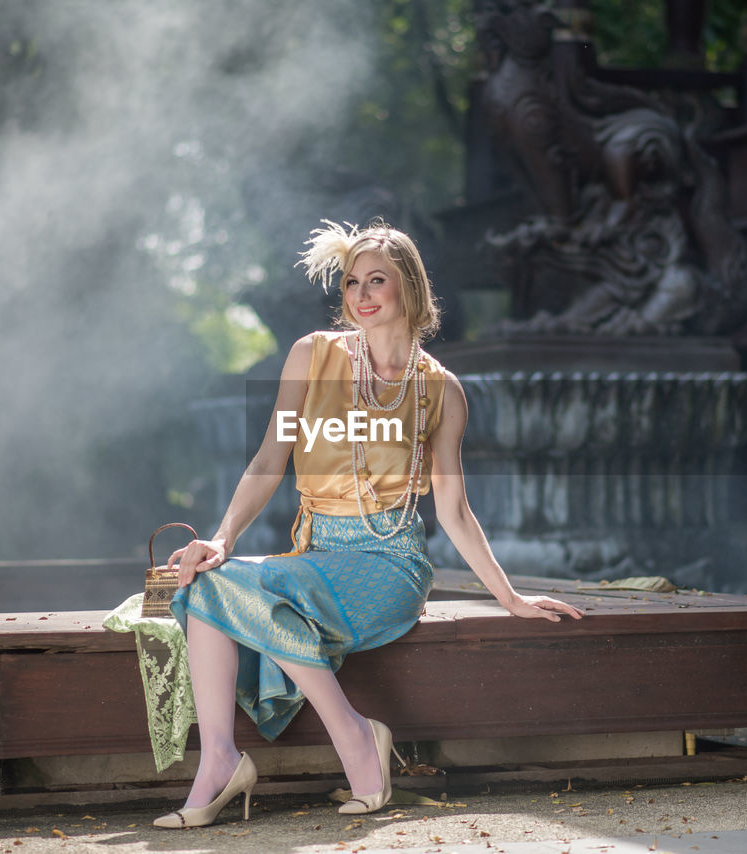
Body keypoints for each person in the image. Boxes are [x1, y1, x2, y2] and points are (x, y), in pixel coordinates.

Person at [152, 219, 583, 829]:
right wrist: (222, 539)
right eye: (351, 282)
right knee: (206, 578)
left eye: (376, 280)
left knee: (248, 588)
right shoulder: (312, 355)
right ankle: (221, 757)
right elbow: (271, 459)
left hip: (392, 564)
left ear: (409, 286)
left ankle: (355, 736)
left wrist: (508, 597)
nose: (361, 294)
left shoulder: (443, 391)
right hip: (317, 553)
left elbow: (453, 510)